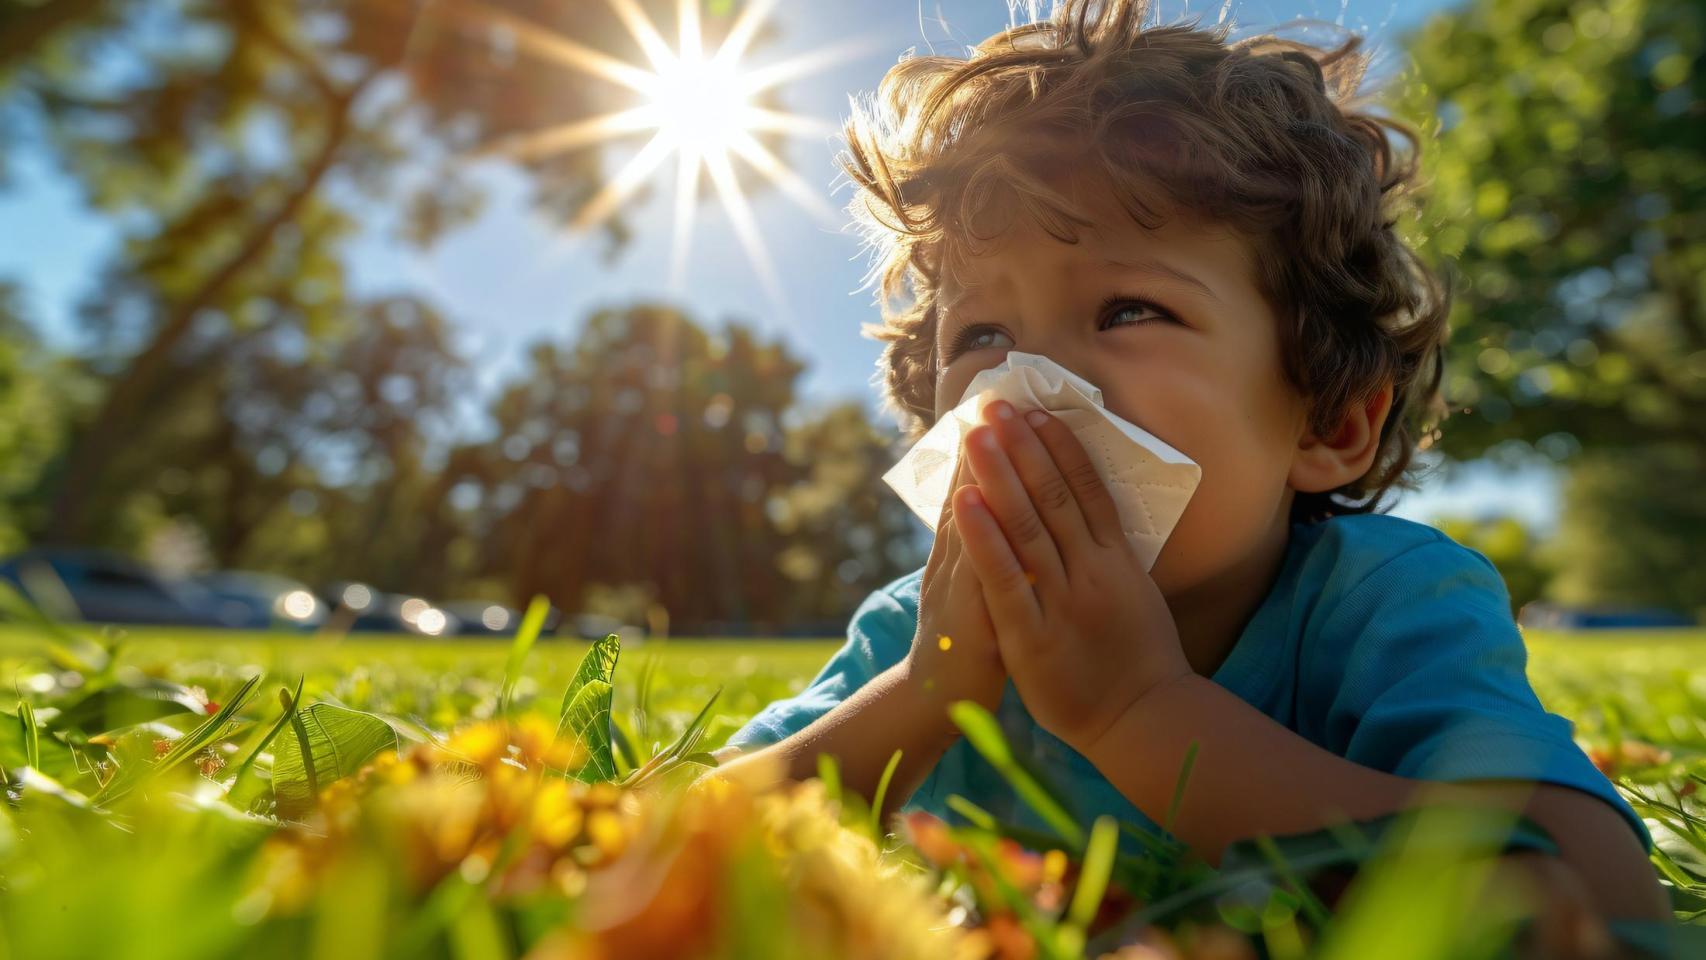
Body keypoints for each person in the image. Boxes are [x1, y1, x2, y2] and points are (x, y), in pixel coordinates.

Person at [714, 0, 1667, 926]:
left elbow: (1589, 897)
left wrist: (1139, 710)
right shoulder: (923, 635)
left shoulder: (1383, 602)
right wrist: (929, 692)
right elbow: (670, 840)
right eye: (983, 334)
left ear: (1327, 423)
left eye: (1129, 310)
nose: (1030, 379)